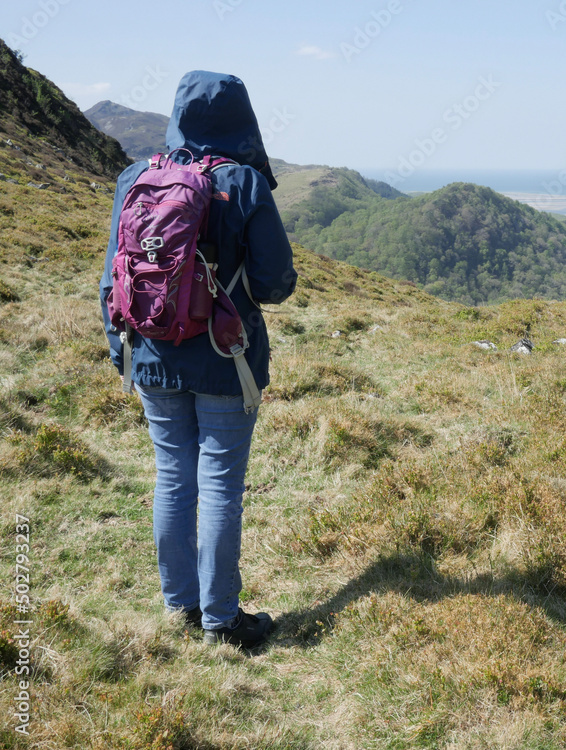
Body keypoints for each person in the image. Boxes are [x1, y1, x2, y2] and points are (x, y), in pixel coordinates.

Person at [99, 71, 297, 649]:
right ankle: (222, 620)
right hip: (224, 357)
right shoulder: (244, 182)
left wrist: (123, 355)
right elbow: (274, 282)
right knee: (218, 485)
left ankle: (179, 604)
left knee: (173, 478)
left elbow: (114, 273)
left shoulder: (136, 178)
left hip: (153, 357)